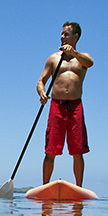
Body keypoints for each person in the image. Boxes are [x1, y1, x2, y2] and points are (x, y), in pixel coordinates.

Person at [37, 21, 94, 186]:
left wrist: (74, 53)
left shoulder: (83, 58)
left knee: (78, 150)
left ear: (75, 37)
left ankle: (79, 188)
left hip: (76, 106)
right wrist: (42, 92)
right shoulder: (54, 58)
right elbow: (41, 81)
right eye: (61, 34)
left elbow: (90, 63)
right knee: (50, 150)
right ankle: (45, 186)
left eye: (66, 34)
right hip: (57, 106)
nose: (62, 37)